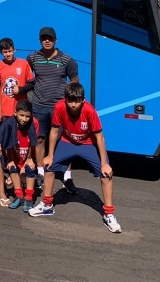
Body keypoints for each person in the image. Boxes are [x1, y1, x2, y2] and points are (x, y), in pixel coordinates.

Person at [29, 82, 121, 234]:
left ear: (82, 100)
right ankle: (47, 205)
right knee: (49, 166)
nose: (73, 104)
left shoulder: (89, 111)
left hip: (88, 143)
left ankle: (109, 214)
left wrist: (104, 163)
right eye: (70, 100)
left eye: (76, 101)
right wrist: (50, 155)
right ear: (65, 99)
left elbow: (100, 138)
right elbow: (53, 132)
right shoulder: (59, 107)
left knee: (106, 173)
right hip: (67, 141)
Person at [27, 26, 79, 192]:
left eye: (50, 38)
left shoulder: (66, 60)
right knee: (40, 140)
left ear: (56, 40)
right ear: (40, 40)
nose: (47, 41)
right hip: (39, 106)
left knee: (63, 140)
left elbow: (74, 82)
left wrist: (68, 103)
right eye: (44, 38)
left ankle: (67, 176)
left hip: (59, 107)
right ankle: (41, 172)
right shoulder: (32, 58)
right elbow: (27, 78)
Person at [0, 99, 39, 212]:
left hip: (26, 155)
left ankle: (29, 198)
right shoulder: (9, 124)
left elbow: (33, 142)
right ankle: (19, 195)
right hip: (15, 155)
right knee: (12, 167)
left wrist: (30, 159)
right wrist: (10, 159)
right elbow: (8, 143)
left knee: (29, 167)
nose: (24, 119)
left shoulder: (34, 123)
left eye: (27, 116)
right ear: (15, 113)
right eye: (21, 115)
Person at [0, 37, 34, 119]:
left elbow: (31, 83)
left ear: (14, 50)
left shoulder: (24, 64)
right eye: (5, 52)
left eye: (10, 51)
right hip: (4, 110)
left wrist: (21, 90)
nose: (8, 54)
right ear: (1, 52)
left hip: (21, 111)